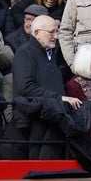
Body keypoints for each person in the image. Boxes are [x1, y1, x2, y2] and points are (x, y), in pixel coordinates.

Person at [12, 15, 81, 159]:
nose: (56, 36)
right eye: (51, 32)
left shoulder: (52, 53)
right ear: (36, 33)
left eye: (57, 32)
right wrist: (59, 98)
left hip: (55, 118)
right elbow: (26, 87)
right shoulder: (24, 52)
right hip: (35, 120)